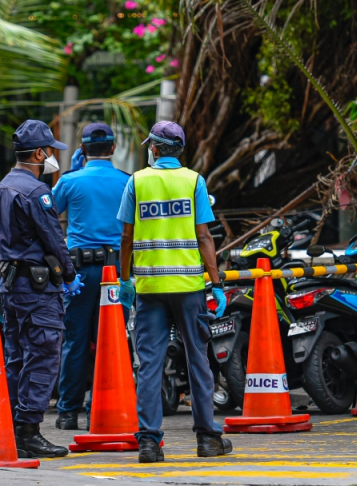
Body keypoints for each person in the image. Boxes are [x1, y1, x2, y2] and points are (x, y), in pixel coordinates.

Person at [118, 121, 232, 464]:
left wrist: (125, 281)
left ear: (154, 148)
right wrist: (216, 281)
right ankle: (208, 439)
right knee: (198, 360)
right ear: (179, 150)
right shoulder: (193, 181)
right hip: (189, 287)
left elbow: (125, 237)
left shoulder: (136, 182)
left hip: (150, 287)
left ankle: (149, 444)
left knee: (149, 364)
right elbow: (204, 237)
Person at [0, 119, 77, 458]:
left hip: (10, 284)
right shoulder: (36, 192)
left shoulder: (1, 189)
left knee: (16, 355)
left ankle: (10, 426)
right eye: (50, 151)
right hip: (37, 288)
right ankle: (29, 431)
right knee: (43, 354)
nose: (52, 157)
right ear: (39, 153)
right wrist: (69, 274)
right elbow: (53, 239)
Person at [51, 122, 132, 431]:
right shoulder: (127, 182)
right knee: (111, 342)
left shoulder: (71, 181)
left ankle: (68, 412)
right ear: (112, 149)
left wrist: (67, 177)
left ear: (82, 150)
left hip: (79, 272)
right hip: (116, 272)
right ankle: (101, 406)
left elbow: (48, 215)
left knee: (75, 340)